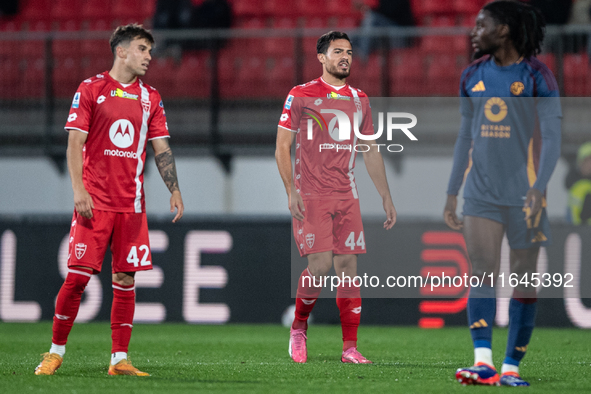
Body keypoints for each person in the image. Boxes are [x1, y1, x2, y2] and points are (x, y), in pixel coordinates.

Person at [34, 24, 184, 376]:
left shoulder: (152, 98)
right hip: (94, 201)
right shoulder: (91, 89)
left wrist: (174, 188)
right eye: (143, 49)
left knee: (126, 280)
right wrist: (78, 189)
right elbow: (74, 142)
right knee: (78, 277)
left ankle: (119, 359)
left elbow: (161, 148)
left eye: (150, 50)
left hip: (131, 205)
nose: (149, 56)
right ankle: (55, 352)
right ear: (122, 51)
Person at [444, 1, 562, 387]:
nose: (473, 31)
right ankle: (483, 363)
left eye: (482, 24)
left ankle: (512, 367)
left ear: (504, 30)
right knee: (482, 272)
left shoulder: (537, 77)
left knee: (524, 280)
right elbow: (464, 136)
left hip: (525, 193)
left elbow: (553, 140)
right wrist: (452, 192)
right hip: (480, 193)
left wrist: (539, 187)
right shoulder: (471, 75)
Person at [276, 31, 397, 364]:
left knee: (348, 269)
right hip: (311, 194)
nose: (345, 57)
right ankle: (299, 327)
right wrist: (291, 190)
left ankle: (349, 348)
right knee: (320, 266)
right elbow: (282, 147)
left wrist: (385, 196)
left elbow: (370, 149)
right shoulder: (300, 95)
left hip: (346, 193)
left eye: (349, 52)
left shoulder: (360, 99)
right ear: (322, 58)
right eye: (337, 51)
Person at [566, 142, 591, 224]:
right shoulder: (574, 182)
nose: (589, 165)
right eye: (587, 160)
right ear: (580, 162)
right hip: (575, 228)